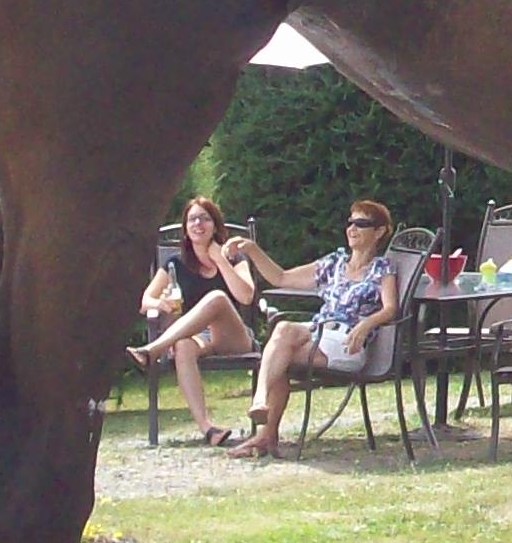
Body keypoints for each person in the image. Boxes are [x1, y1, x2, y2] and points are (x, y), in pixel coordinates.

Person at [219, 199, 402, 459]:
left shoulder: (382, 268)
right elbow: (281, 278)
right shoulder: (335, 263)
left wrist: (365, 324)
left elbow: (390, 308)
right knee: (281, 337)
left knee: (277, 354)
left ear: (380, 231)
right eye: (350, 222)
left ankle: (263, 432)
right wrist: (252, 249)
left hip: (348, 342)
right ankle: (262, 419)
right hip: (320, 332)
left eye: (362, 224)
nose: (352, 229)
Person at [134, 195, 261, 445]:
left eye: (205, 218)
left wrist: (220, 260)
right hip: (199, 338)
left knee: (217, 298)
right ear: (185, 229)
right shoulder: (176, 264)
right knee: (182, 346)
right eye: (192, 219)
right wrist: (161, 303)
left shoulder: (235, 260)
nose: (198, 224)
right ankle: (209, 429)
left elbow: (246, 297)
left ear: (215, 225)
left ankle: (152, 350)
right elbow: (145, 300)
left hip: (233, 337)